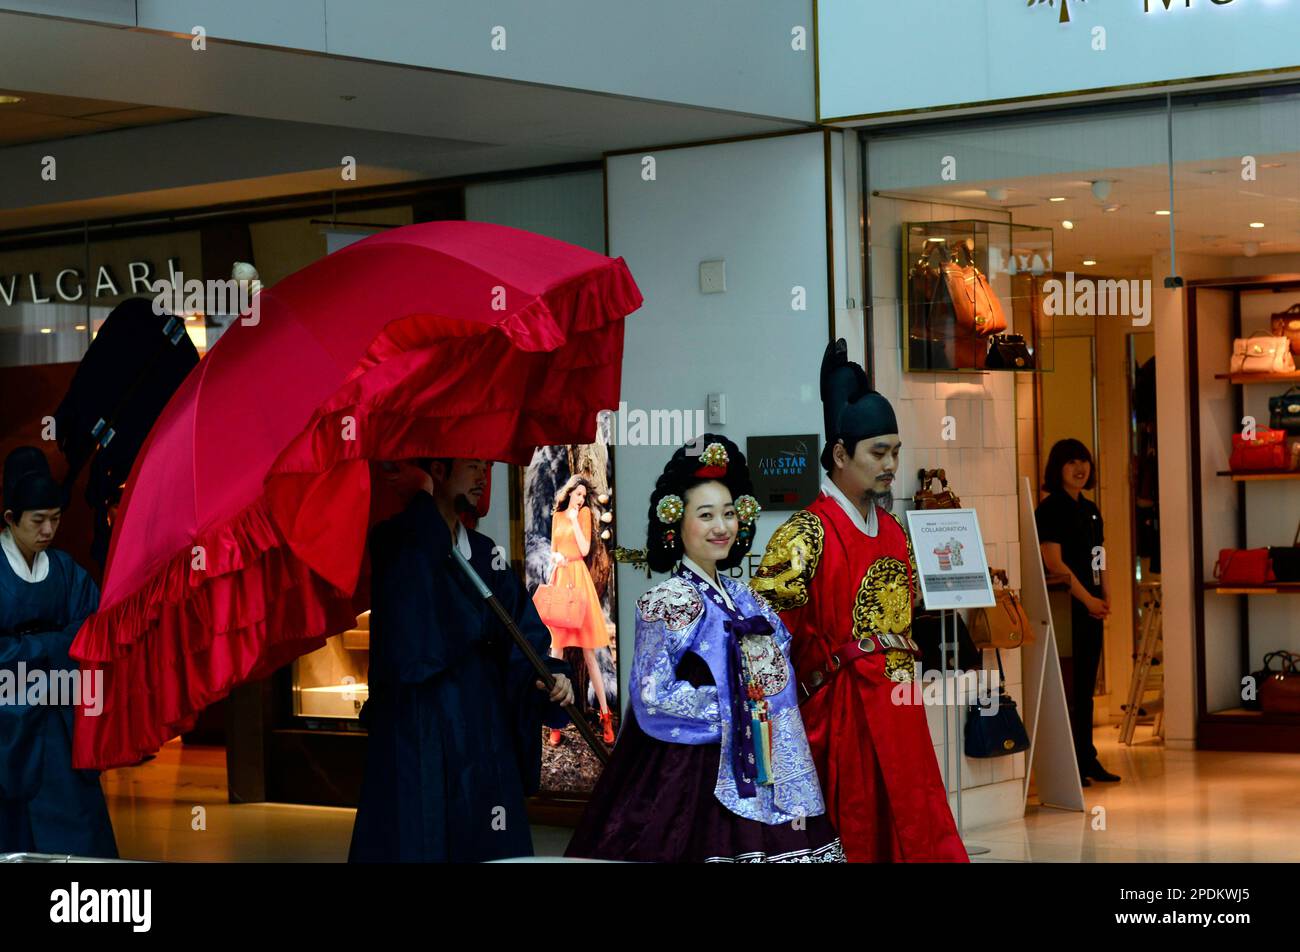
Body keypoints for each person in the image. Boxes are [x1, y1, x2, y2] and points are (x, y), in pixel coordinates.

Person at [566, 435, 844, 863]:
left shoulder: (748, 599)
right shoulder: (668, 601)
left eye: (729, 514)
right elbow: (651, 694)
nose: (722, 527)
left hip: (765, 760)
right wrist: (734, 707)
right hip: (692, 768)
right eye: (706, 515)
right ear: (677, 525)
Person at [752, 340, 968, 863]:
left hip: (900, 707)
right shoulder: (804, 534)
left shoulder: (894, 530)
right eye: (879, 452)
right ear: (841, 454)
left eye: (896, 451)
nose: (891, 463)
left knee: (917, 822)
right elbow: (761, 644)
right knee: (854, 832)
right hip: (839, 715)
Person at [349, 457, 575, 862]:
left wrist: (547, 674)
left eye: (485, 467)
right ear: (437, 469)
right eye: (471, 467)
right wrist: (421, 500)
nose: (481, 477)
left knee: (486, 833)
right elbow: (414, 631)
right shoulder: (398, 542)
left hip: (482, 724)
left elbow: (521, 631)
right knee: (421, 833)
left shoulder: (486, 553)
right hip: (421, 723)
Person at [0, 447, 117, 858]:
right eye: (38, 520)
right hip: (9, 717)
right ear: (10, 518)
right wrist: (53, 646)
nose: (48, 530)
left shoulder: (67, 570)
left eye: (56, 518)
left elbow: (93, 628)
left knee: (79, 819)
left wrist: (34, 651)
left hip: (64, 711)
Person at [1035, 439, 1120, 786]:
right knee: (1069, 688)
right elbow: (1054, 563)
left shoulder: (1091, 509)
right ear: (1057, 469)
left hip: (1091, 607)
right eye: (1071, 462)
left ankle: (1088, 757)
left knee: (1085, 687)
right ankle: (1069, 763)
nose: (1080, 468)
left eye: (1083, 461)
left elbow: (1099, 554)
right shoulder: (1050, 509)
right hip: (1066, 608)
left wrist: (1107, 594)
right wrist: (1088, 599)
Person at [541, 475, 614, 746]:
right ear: (569, 492)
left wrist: (575, 520)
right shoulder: (557, 517)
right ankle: (555, 722)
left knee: (589, 654)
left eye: (584, 495)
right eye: (578, 493)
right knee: (556, 652)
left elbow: (584, 549)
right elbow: (552, 550)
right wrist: (556, 558)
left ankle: (606, 716)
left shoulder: (582, 515)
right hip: (561, 579)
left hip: (580, 582)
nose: (581, 498)